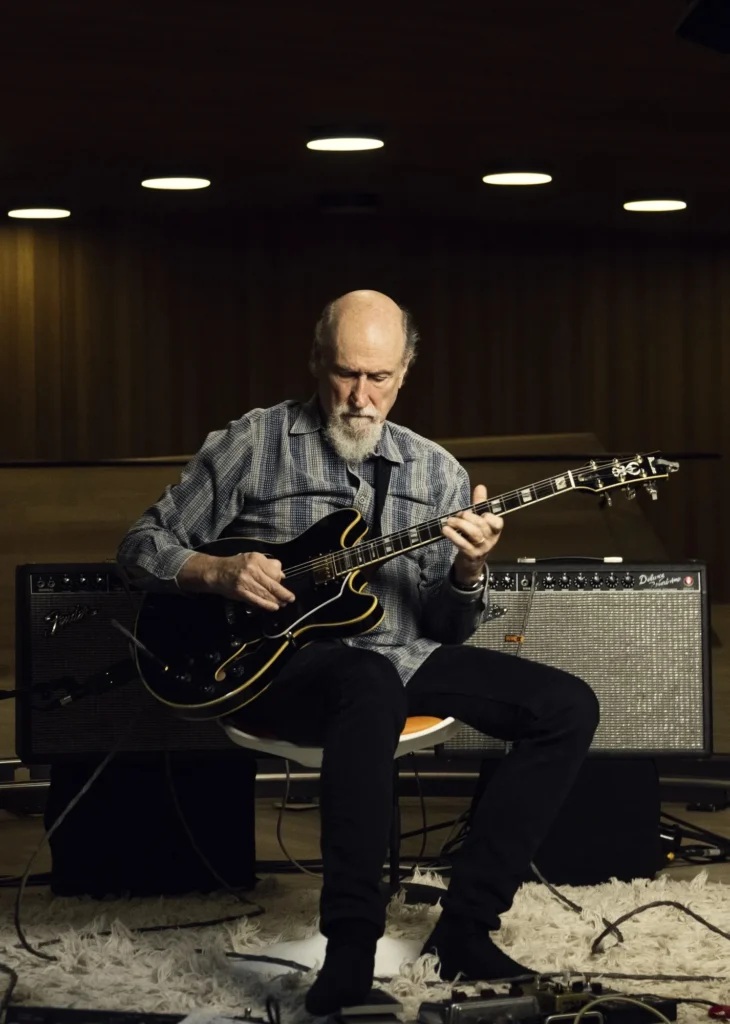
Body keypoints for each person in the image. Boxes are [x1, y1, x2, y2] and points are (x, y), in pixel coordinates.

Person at [117, 289, 599, 1016]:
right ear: (317, 362)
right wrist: (216, 571)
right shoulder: (255, 442)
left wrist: (469, 573)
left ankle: (466, 930)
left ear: (405, 373)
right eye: (346, 373)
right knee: (368, 680)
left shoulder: (435, 471)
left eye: (379, 377)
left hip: (402, 655)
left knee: (566, 705)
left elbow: (446, 626)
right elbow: (139, 548)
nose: (360, 395)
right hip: (275, 661)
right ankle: (349, 953)